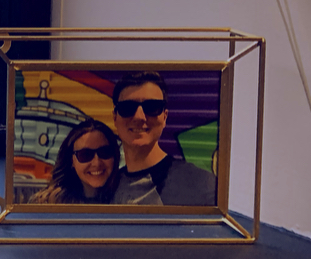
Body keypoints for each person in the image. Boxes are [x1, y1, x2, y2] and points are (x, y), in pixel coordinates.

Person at [110, 71, 217, 205]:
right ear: (115, 118)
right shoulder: (107, 187)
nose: (139, 117)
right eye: (127, 108)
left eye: (152, 107)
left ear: (164, 117)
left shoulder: (201, 184)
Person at [30, 120, 121, 204]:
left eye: (105, 152)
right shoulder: (48, 203)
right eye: (85, 155)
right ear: (71, 160)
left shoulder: (124, 197)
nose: (97, 163)